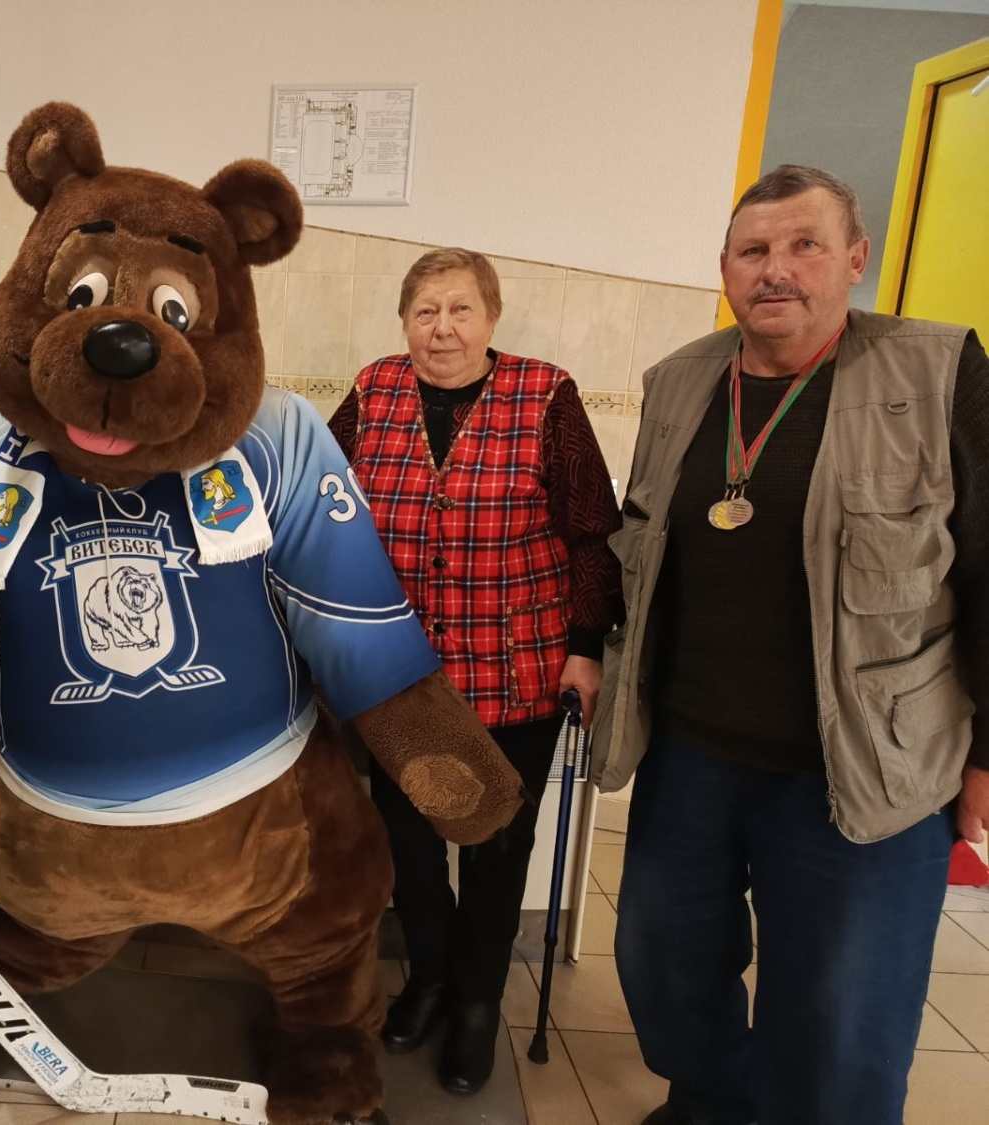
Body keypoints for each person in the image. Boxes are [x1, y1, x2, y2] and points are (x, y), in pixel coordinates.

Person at [592, 165, 989, 1125]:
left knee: (842, 1010)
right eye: (754, 249)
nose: (777, 269)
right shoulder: (682, 381)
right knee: (662, 957)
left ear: (856, 259)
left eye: (806, 244)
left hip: (867, 759)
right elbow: (641, 544)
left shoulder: (939, 370)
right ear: (725, 267)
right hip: (692, 751)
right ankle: (714, 1099)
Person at [328, 247, 621, 1095]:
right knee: (410, 847)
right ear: (404, 322)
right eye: (425, 310)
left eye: (460, 309)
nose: (442, 328)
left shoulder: (547, 395)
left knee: (494, 847)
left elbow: (592, 533)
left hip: (517, 676)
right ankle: (427, 978)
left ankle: (477, 1005)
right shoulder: (375, 389)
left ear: (492, 317)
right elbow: (322, 500)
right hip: (400, 680)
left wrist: (587, 645)